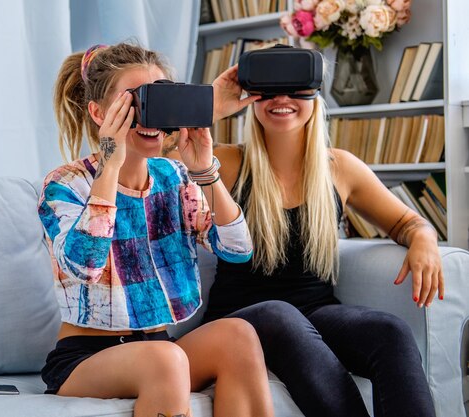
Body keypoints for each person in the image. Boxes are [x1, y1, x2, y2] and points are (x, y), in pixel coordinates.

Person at [170, 54, 442, 417]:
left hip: (315, 313)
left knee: (389, 332)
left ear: (316, 95)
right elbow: (153, 149)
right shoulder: (227, 163)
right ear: (252, 99)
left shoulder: (339, 168)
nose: (282, 100)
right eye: (268, 92)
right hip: (242, 320)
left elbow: (407, 222)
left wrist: (424, 238)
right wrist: (213, 106)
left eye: (296, 90)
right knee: (281, 315)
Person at [37, 42, 275, 417]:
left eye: (160, 98)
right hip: (85, 358)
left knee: (238, 335)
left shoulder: (175, 177)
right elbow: (85, 266)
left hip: (159, 347)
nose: (149, 115)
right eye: (134, 102)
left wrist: (204, 170)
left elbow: (238, 250)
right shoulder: (66, 184)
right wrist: (110, 168)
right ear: (100, 113)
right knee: (164, 359)